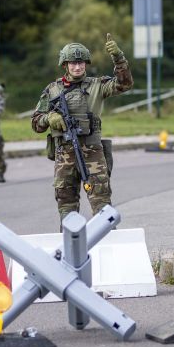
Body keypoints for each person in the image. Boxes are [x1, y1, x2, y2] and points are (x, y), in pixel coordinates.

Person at [31, 34, 133, 228]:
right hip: (65, 155)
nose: (77, 67)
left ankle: (107, 247)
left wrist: (119, 58)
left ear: (86, 64)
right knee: (66, 206)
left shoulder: (98, 85)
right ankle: (70, 250)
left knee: (102, 204)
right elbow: (36, 123)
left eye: (81, 63)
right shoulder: (52, 90)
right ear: (65, 65)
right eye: (72, 63)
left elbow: (124, 84)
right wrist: (49, 118)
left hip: (92, 153)